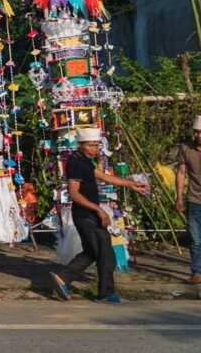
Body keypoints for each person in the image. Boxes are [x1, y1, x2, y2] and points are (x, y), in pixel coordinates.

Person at [50, 128, 149, 303]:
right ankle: (105, 293)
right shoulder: (75, 163)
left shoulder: (86, 161)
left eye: (96, 145)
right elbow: (74, 193)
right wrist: (98, 209)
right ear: (80, 145)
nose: (95, 149)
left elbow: (105, 177)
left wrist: (131, 184)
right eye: (91, 145)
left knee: (91, 252)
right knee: (106, 253)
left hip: (90, 214)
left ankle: (62, 277)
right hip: (85, 215)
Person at [175, 115, 201, 284]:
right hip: (194, 199)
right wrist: (179, 196)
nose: (199, 135)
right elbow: (181, 173)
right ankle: (197, 271)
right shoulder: (186, 149)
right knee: (196, 239)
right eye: (197, 132)